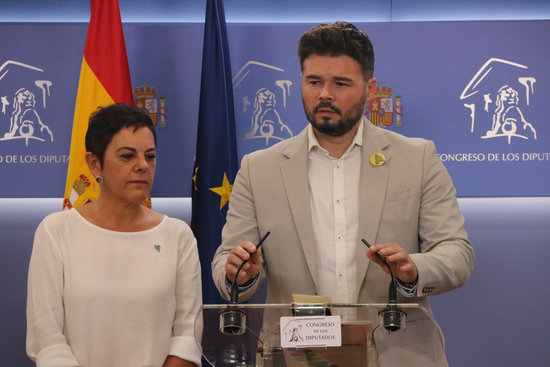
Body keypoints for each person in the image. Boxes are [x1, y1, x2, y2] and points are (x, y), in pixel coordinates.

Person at [211, 22, 474, 366]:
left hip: (398, 354)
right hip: (297, 356)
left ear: (370, 87)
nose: (325, 94)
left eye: (340, 83)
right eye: (314, 81)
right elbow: (225, 263)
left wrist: (413, 269)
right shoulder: (258, 168)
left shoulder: (417, 158)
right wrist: (238, 274)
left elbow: (457, 253)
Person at [26, 103, 202, 367]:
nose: (142, 166)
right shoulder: (55, 231)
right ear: (94, 163)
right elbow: (47, 340)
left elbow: (187, 338)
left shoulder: (177, 235)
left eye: (150, 156)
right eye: (127, 156)